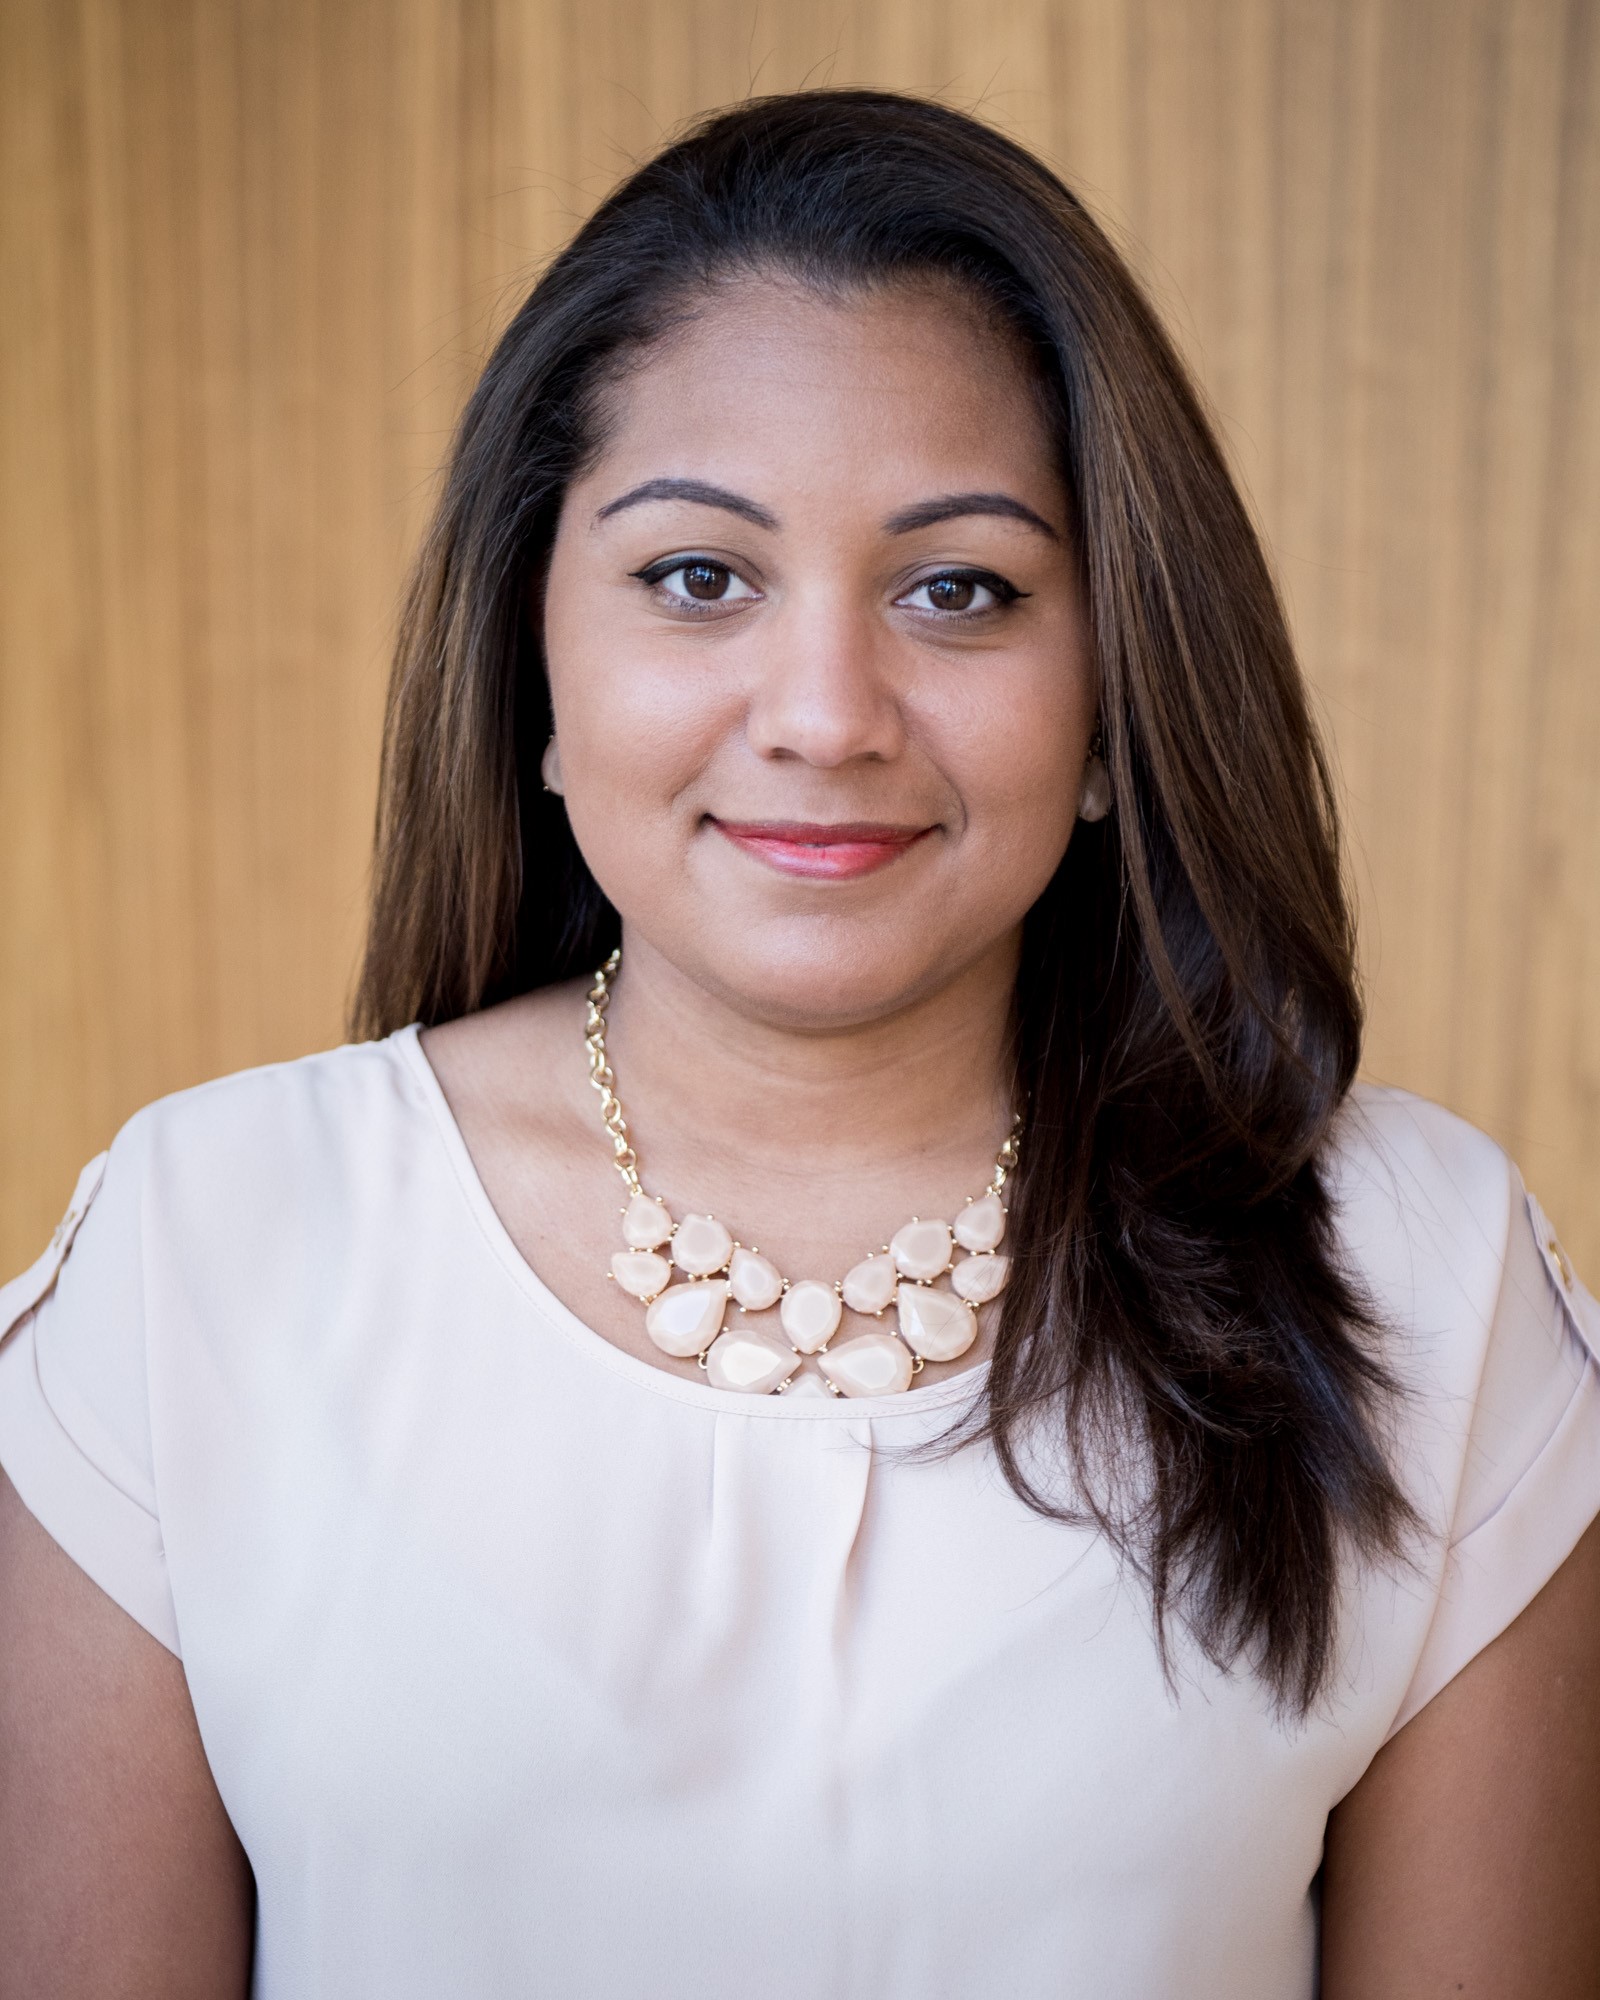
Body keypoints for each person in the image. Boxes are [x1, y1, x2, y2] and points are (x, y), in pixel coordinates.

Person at [2, 88, 1597, 2000]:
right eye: (700, 577)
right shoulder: (201, 1247)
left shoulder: (1422, 1267)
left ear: (1115, 695)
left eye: (960, 590)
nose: (828, 712)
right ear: (535, 652)